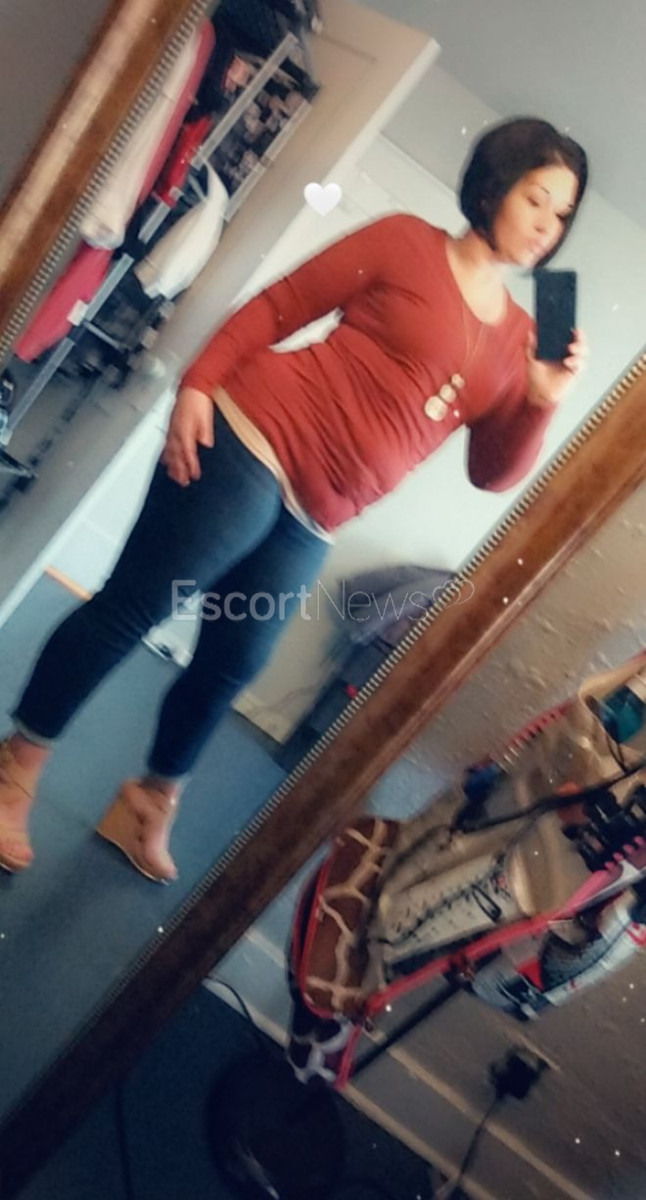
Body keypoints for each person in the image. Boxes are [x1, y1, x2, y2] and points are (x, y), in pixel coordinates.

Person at [0, 116, 589, 883]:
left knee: (234, 660)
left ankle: (147, 800)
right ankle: (18, 768)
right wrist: (199, 382)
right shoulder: (406, 241)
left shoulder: (523, 338)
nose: (547, 225)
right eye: (536, 199)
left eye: (561, 214)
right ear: (493, 186)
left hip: (318, 514)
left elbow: (492, 473)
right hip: (253, 441)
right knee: (136, 606)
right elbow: (282, 306)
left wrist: (542, 400)